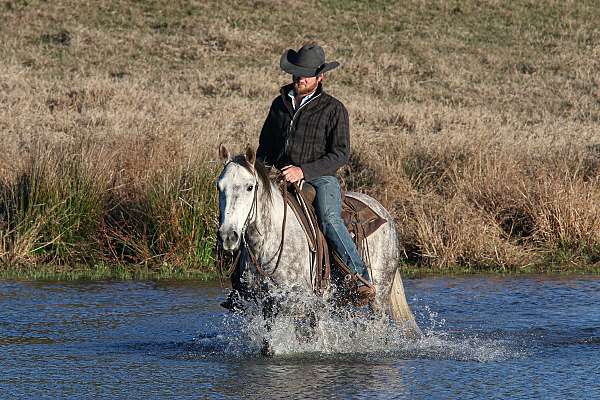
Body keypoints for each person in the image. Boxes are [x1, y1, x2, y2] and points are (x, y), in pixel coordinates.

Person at [256, 43, 371, 287]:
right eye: (297, 73)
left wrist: (304, 171)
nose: (299, 78)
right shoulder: (279, 105)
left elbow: (340, 154)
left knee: (329, 218)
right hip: (282, 175)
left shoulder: (334, 109)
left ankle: (360, 275)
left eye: (306, 75)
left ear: (320, 77)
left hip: (321, 177)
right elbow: (265, 147)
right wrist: (260, 174)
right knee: (251, 215)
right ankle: (242, 282)